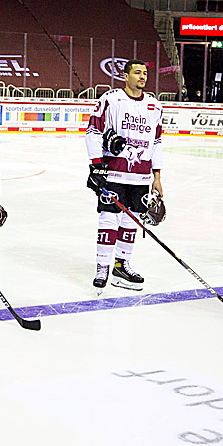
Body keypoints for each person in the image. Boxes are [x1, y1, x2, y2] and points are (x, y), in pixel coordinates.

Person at [85, 60, 164, 294]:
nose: (142, 77)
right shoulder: (111, 100)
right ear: (125, 76)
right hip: (114, 172)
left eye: (145, 73)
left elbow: (157, 142)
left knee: (131, 222)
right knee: (109, 220)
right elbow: (93, 131)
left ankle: (122, 265)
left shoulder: (155, 106)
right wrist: (96, 165)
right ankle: (102, 267)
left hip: (140, 177)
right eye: (137, 72)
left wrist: (157, 177)